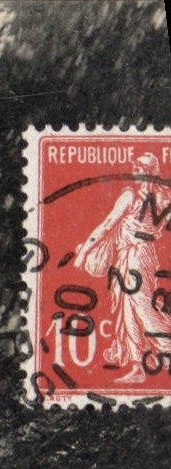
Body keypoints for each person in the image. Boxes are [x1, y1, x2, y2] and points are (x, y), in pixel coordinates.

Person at [73, 153, 170, 383]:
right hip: (130, 255)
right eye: (136, 167)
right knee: (128, 309)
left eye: (140, 167)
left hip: (139, 256)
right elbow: (107, 225)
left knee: (142, 306)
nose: (137, 171)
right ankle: (138, 366)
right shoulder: (158, 197)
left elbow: (107, 226)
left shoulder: (147, 197)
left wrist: (84, 253)